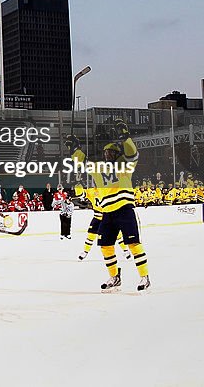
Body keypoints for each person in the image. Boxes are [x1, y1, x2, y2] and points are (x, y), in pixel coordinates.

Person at [68, 121, 150, 292]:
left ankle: (144, 276)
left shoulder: (125, 165)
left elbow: (133, 154)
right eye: (106, 152)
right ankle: (114, 276)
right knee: (105, 245)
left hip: (124, 210)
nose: (108, 154)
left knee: (133, 243)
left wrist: (126, 138)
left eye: (112, 151)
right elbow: (81, 161)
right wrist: (74, 148)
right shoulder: (98, 168)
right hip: (107, 213)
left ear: (117, 153)